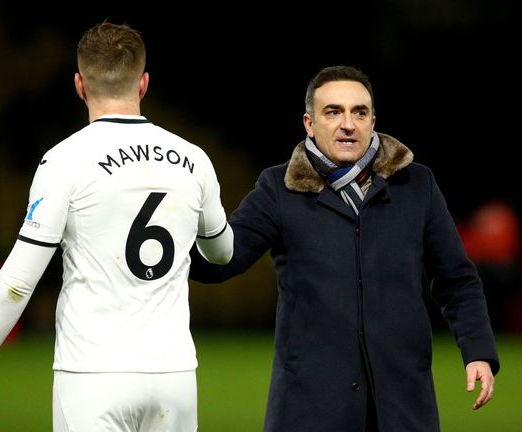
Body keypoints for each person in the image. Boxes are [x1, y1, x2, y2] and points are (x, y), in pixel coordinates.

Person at [0, 21, 233, 432]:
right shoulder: (193, 159)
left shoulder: (64, 161)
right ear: (144, 83)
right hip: (174, 376)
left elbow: (17, 282)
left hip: (93, 374)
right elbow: (222, 252)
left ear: (80, 86)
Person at [189, 65, 499, 431]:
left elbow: (456, 278)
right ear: (309, 123)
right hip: (310, 407)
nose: (348, 123)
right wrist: (180, 229)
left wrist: (478, 350)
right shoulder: (278, 188)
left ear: (372, 122)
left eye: (359, 113)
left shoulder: (416, 185)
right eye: (333, 112)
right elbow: (223, 261)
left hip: (401, 404)